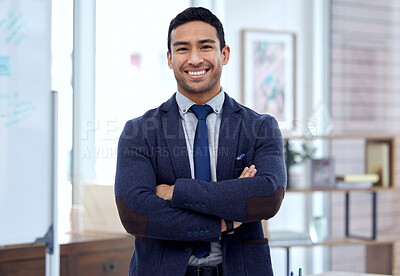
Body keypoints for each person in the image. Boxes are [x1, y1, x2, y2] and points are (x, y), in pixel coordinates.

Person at [115, 7, 286, 276]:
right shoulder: (139, 132)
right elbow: (136, 214)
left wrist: (177, 192)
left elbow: (267, 197)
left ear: (224, 54)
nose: (194, 59)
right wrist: (226, 220)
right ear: (170, 59)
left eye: (205, 47)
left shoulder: (260, 127)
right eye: (182, 49)